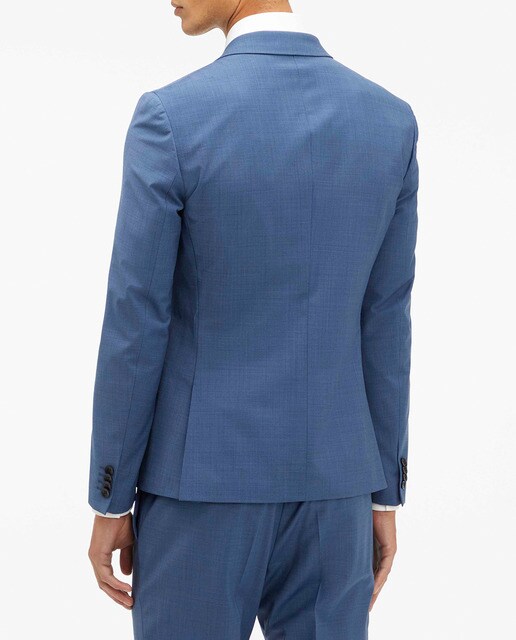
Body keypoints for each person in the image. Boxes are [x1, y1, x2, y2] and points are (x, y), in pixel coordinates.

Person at [87, 1, 419, 638]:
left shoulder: (171, 118)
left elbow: (137, 322)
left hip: (198, 491)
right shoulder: (388, 120)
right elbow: (385, 320)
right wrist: (383, 491)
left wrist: (111, 495)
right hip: (337, 489)